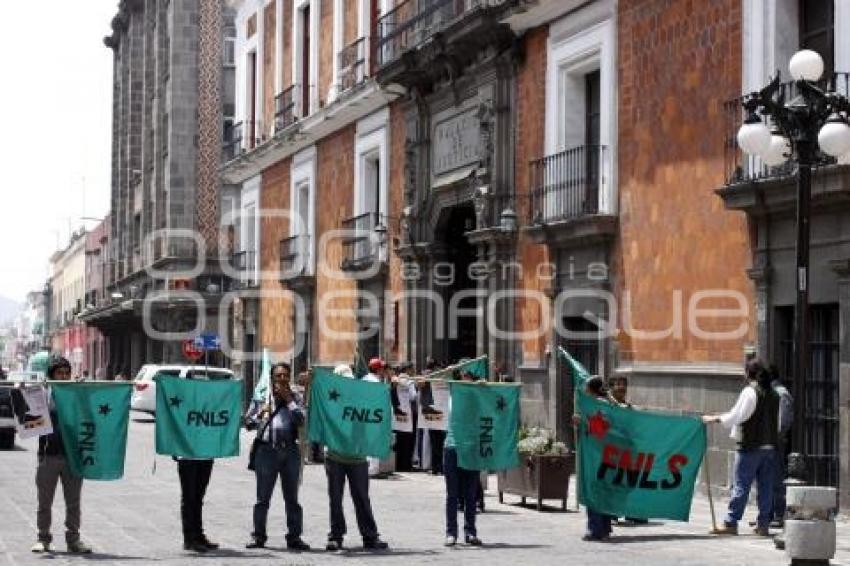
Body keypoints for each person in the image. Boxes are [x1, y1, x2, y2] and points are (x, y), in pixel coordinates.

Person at [702, 358, 780, 537]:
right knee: (766, 487)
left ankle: (731, 522)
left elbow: (738, 415)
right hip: (769, 447)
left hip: (751, 446)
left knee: (741, 485)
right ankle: (763, 524)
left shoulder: (750, 392)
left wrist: (715, 418)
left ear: (748, 373)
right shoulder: (774, 394)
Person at [320, 363, 389, 551]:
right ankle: (335, 536)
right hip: (334, 456)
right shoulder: (329, 399)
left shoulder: (361, 399)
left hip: (357, 457)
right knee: (335, 498)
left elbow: (371, 420)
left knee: (362, 497)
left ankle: (370, 536)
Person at [244, 362, 310, 551]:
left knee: (292, 499)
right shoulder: (262, 396)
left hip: (290, 451)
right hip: (267, 452)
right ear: (272, 377)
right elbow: (248, 422)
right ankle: (258, 536)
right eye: (278, 375)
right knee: (262, 498)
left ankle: (294, 537)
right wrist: (260, 415)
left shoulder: (296, 396)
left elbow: (301, 420)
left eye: (285, 375)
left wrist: (288, 400)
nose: (281, 379)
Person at [31, 356, 93, 554]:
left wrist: (82, 392)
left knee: (73, 503)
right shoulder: (43, 395)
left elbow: (88, 414)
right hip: (49, 456)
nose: (64, 377)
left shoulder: (76, 394)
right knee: (44, 502)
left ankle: (73, 540)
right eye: (59, 373)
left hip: (73, 456)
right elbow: (31, 421)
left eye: (67, 373)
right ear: (52, 375)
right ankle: (43, 539)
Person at [176, 371, 220, 553]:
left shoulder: (209, 405)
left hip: (205, 456)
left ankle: (199, 534)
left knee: (199, 498)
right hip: (187, 457)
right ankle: (189, 538)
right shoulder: (180, 404)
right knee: (189, 497)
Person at [443, 371, 483, 547]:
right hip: (452, 447)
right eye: (463, 377)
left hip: (471, 449)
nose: (465, 381)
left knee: (470, 494)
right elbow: (441, 377)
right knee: (452, 494)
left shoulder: (478, 399)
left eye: (469, 377)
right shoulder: (454, 395)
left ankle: (470, 532)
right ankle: (451, 533)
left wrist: (483, 390)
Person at [576, 376, 614, 541]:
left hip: (596, 454)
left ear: (591, 389)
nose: (584, 390)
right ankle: (604, 527)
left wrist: (581, 422)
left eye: (586, 388)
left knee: (593, 491)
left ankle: (596, 529)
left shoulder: (597, 406)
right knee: (603, 490)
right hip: (606, 454)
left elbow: (597, 428)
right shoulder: (609, 404)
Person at [607, 376, 648, 526]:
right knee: (614, 480)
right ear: (611, 387)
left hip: (628, 450)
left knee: (629, 481)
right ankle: (611, 512)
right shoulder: (607, 405)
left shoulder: (628, 406)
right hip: (612, 450)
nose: (621, 388)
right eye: (618, 384)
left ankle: (631, 512)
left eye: (623, 385)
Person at [769, 364, 793, 527]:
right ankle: (768, 514)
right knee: (767, 479)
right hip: (767, 442)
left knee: (776, 478)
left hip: (775, 442)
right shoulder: (770, 393)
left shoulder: (781, 394)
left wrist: (774, 437)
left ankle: (779, 513)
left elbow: (783, 422)